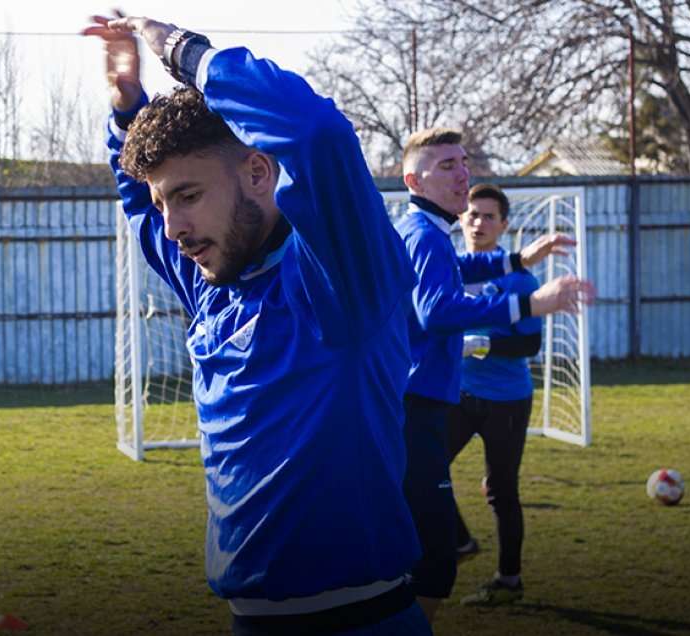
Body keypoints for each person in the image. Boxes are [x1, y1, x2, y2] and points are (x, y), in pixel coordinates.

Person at [83, 12, 431, 636]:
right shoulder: (211, 282)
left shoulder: (342, 283)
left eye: (188, 196)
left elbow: (317, 132)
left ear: (257, 173)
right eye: (166, 202)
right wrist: (126, 109)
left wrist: (186, 54)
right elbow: (138, 204)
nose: (172, 227)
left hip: (362, 623)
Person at [394, 128, 594, 622]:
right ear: (413, 180)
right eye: (446, 165)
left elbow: (456, 269)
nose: (462, 173)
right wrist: (529, 301)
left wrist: (516, 261)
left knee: (429, 542)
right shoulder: (423, 235)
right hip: (417, 405)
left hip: (427, 400)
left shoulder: (424, 229)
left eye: (463, 162)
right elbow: (437, 310)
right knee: (436, 559)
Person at [451, 183, 544, 606]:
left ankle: (509, 580)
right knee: (415, 465)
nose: (478, 222)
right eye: (472, 213)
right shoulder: (446, 269)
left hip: (506, 400)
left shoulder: (520, 279)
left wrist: (478, 344)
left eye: (489, 216)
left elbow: (529, 346)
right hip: (457, 393)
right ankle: (459, 542)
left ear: (504, 225)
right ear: (460, 218)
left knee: (501, 490)